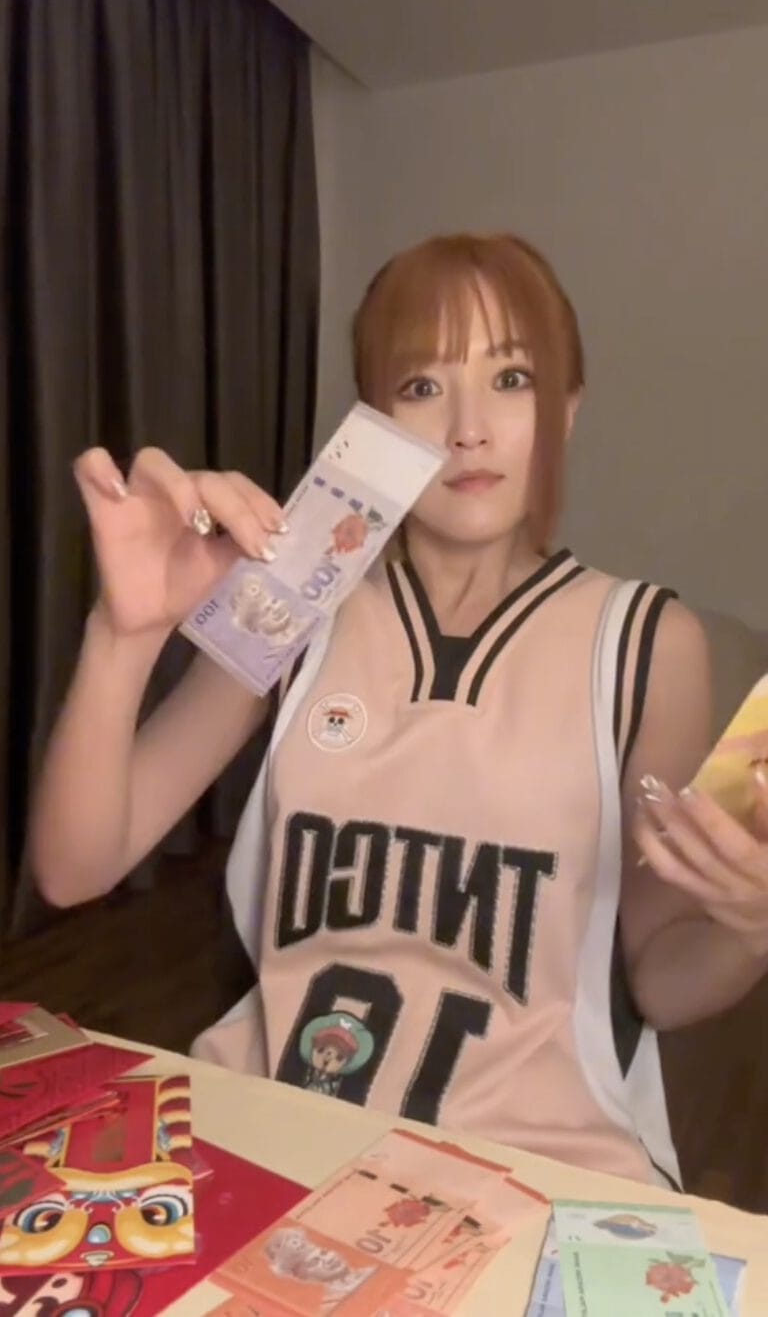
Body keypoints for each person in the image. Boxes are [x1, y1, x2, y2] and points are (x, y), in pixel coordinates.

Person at [29, 233, 768, 1188]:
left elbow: (661, 981)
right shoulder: (297, 600)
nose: (468, 429)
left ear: (566, 409)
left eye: (511, 378)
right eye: (423, 386)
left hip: (538, 1173)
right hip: (267, 1136)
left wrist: (751, 924)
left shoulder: (650, 642)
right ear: (372, 424)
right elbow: (75, 868)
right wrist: (123, 635)